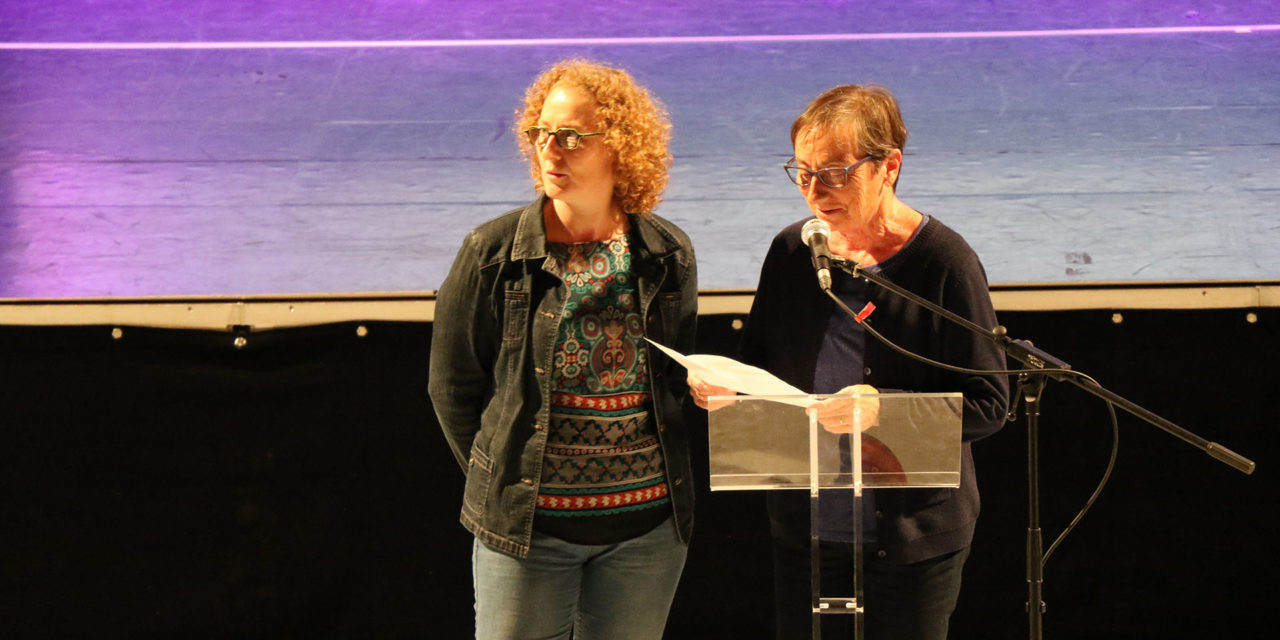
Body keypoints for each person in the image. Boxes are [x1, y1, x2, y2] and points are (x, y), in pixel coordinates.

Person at [689, 84, 1009, 639]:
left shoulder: (944, 263)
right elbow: (757, 365)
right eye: (803, 173)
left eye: (835, 173)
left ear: (889, 167)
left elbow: (990, 404)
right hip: (809, 532)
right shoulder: (793, 253)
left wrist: (884, 407)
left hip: (911, 540)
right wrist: (726, 390)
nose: (815, 192)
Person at [428, 58, 698, 640]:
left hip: (646, 534)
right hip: (529, 535)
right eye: (541, 133)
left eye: (571, 136)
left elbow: (673, 383)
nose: (549, 150)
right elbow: (451, 388)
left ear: (620, 145)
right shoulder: (491, 253)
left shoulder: (667, 253)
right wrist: (502, 475)